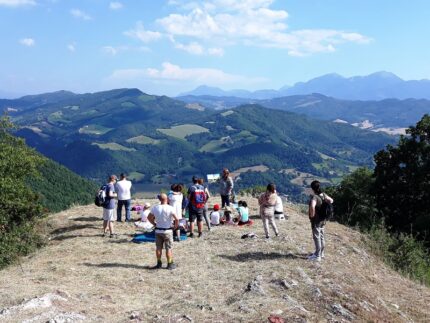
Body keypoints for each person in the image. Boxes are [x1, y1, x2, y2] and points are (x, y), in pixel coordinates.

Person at [147, 193, 179, 270]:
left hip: (158, 230)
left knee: (158, 248)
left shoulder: (155, 208)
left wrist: (154, 223)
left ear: (160, 199)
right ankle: (170, 263)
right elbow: (177, 219)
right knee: (168, 248)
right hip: (167, 231)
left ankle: (159, 263)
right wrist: (175, 227)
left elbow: (149, 217)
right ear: (167, 199)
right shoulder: (170, 208)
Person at [308, 180, 333, 262]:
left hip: (317, 220)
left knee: (316, 237)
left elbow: (312, 206)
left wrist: (312, 215)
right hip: (323, 219)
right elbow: (332, 200)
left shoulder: (315, 197)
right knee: (321, 236)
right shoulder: (324, 195)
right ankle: (321, 253)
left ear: (312, 188)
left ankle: (317, 256)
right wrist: (325, 204)